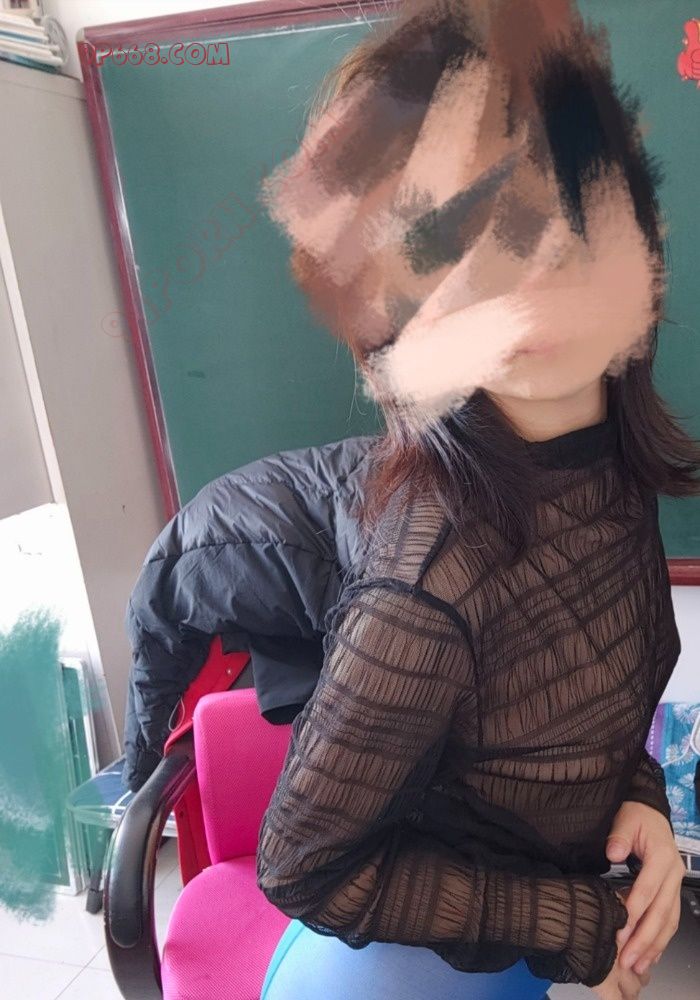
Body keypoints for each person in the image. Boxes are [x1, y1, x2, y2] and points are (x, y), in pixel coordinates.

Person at [255, 2, 698, 997]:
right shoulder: (429, 577)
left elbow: (590, 694)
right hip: (396, 974)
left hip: (515, 938)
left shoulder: (605, 468)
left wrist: (640, 800)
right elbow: (300, 864)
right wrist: (576, 924)